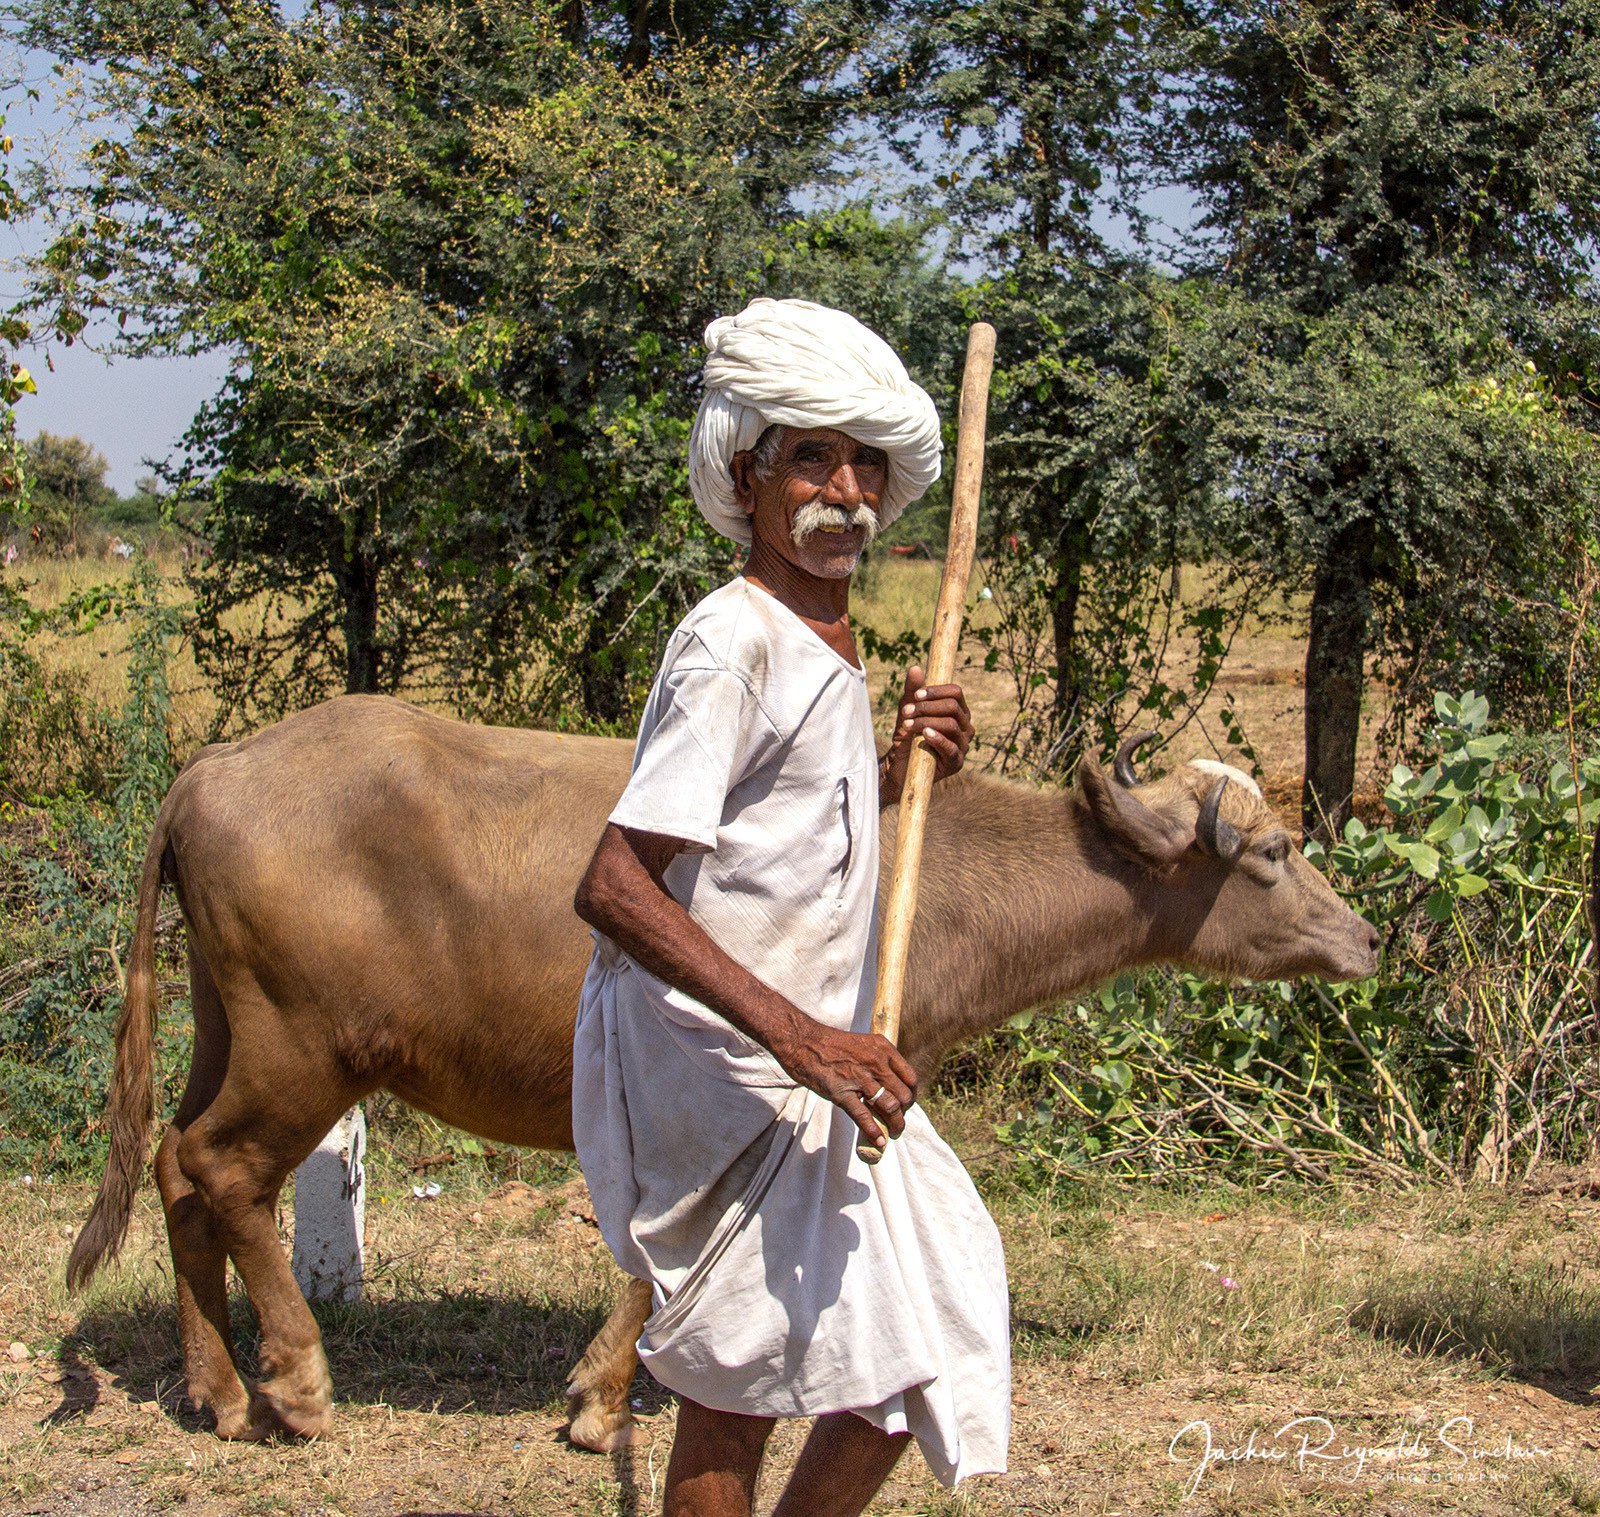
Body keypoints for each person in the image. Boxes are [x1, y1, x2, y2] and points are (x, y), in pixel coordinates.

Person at [572, 298, 1010, 1517]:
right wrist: (800, 1038)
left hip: (815, 1059)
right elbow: (614, 882)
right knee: (747, 1383)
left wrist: (898, 766)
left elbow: (786, 821)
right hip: (736, 1068)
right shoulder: (731, 644)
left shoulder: (820, 638)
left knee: (910, 1336)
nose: (847, 489)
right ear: (744, 472)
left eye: (866, 462)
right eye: (811, 456)